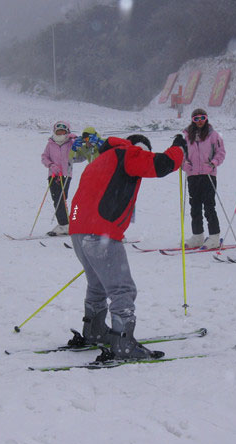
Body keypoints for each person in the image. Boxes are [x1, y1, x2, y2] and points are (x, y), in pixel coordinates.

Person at [68, 134, 185, 359]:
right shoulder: (128, 153)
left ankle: (94, 330)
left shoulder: (101, 160)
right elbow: (161, 164)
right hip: (100, 232)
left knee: (98, 285)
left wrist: (81, 225)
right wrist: (179, 149)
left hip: (78, 230)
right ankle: (123, 343)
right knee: (122, 289)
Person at [182, 108, 226, 249]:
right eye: (196, 119)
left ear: (206, 118)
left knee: (209, 206)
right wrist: (184, 164)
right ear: (192, 120)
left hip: (208, 175)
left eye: (202, 118)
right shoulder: (187, 136)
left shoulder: (213, 136)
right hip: (193, 175)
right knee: (194, 207)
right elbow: (182, 153)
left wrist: (213, 163)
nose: (199, 121)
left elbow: (221, 153)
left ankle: (214, 236)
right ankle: (197, 235)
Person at [41, 120, 77, 236]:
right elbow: (44, 157)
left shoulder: (70, 143)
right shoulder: (50, 143)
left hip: (66, 174)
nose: (61, 134)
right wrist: (51, 165)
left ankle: (65, 224)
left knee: (62, 198)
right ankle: (64, 224)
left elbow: (78, 153)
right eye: (58, 131)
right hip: (53, 175)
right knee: (56, 199)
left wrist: (75, 140)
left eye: (63, 132)